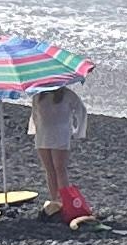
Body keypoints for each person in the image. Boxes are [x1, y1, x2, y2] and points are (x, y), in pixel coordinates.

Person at [28, 74, 92, 223]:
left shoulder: (67, 95)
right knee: (49, 169)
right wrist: (34, 130)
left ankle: (65, 201)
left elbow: (81, 111)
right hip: (43, 134)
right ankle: (54, 200)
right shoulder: (38, 95)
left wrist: (78, 131)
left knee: (60, 169)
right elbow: (35, 115)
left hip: (61, 134)